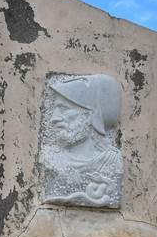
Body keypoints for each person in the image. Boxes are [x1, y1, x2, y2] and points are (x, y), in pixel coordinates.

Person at [42, 73, 123, 208]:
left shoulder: (113, 161)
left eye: (63, 109)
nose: (54, 118)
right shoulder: (51, 158)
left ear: (90, 115)